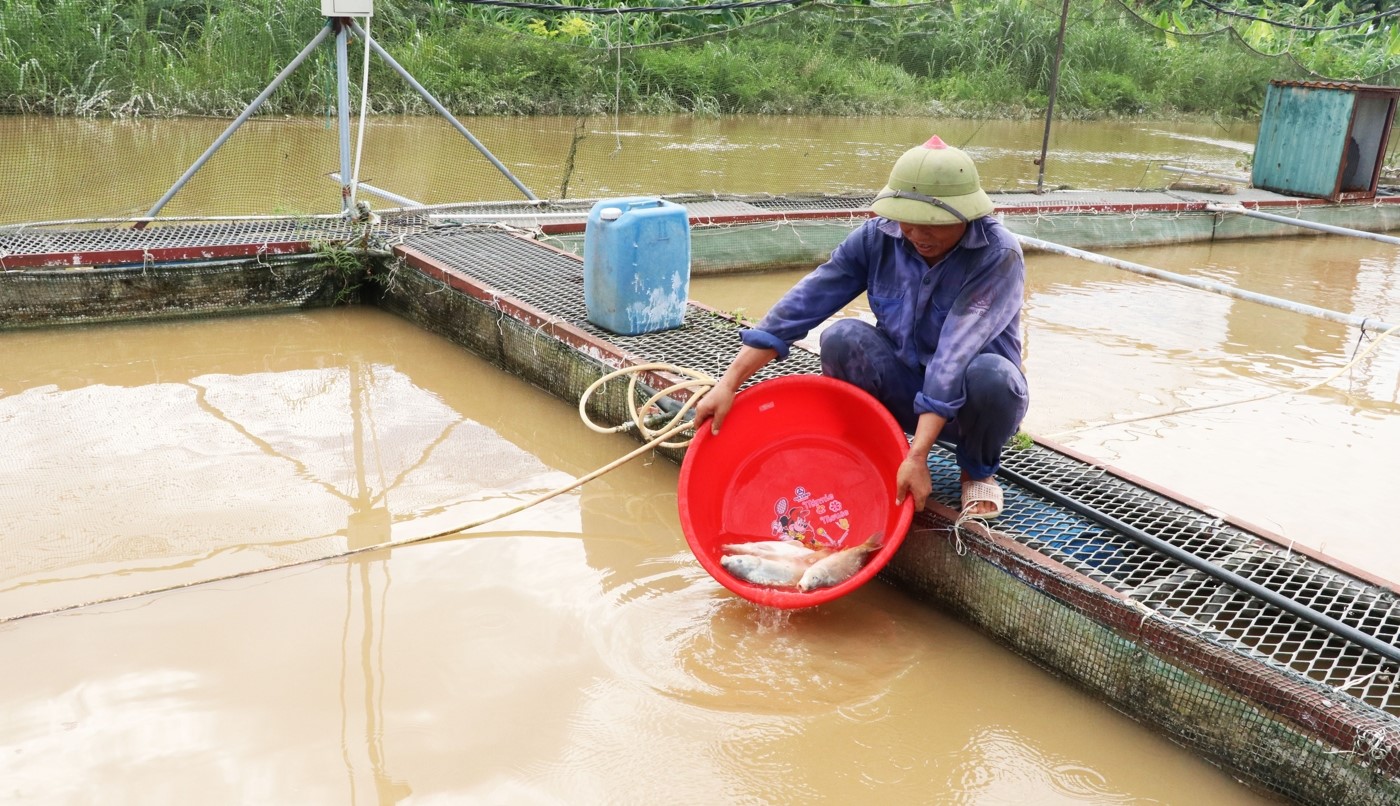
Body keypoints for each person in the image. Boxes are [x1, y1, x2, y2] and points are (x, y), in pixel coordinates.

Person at [693, 135, 1028, 519]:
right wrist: (729, 383)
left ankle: (976, 472)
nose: (917, 234)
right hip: (905, 386)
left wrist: (919, 457)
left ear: (965, 215)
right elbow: (805, 301)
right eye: (909, 221)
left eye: (932, 224)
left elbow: (955, 353)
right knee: (841, 338)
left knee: (993, 376)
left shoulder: (997, 254)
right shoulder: (877, 237)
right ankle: (870, 453)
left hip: (972, 408)